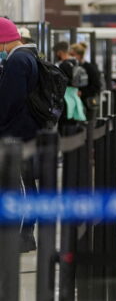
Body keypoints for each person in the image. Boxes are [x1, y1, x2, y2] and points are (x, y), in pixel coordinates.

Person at [0, 18, 41, 252]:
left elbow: (10, 100)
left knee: (22, 185)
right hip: (26, 129)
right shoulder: (28, 56)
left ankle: (24, 236)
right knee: (22, 183)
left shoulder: (17, 60)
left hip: (18, 132)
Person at [70, 42, 102, 121]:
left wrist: (82, 92)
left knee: (88, 127)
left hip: (88, 104)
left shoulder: (90, 68)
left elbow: (97, 85)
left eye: (73, 55)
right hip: (77, 104)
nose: (71, 57)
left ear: (79, 55)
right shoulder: (72, 66)